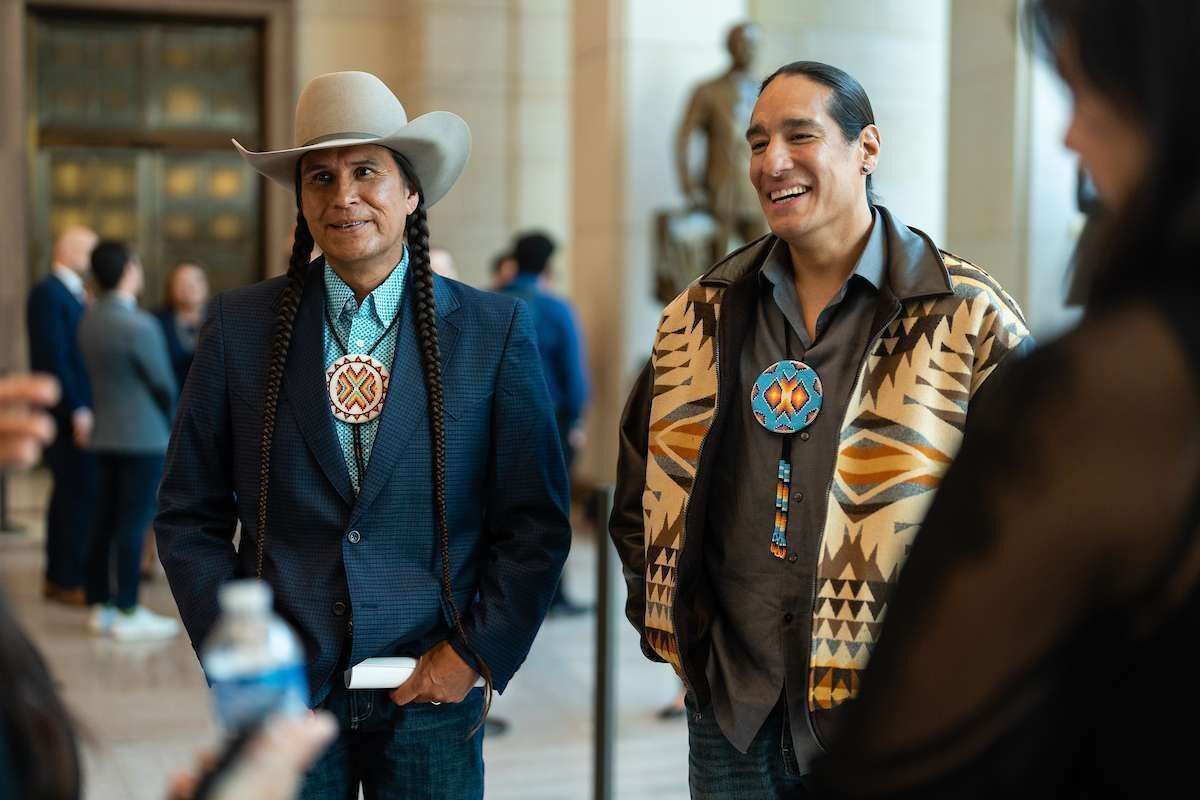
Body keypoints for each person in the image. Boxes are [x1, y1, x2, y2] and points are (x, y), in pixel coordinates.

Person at [610, 61, 1032, 795]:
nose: (771, 163)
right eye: (756, 142)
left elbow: (1044, 512)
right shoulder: (698, 316)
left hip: (901, 717)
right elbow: (638, 490)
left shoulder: (964, 315)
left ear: (867, 147)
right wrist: (680, 633)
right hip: (733, 710)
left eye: (800, 136)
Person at [810, 2, 1200, 797]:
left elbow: (899, 759)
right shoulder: (705, 307)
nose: (1069, 135)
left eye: (1089, 92)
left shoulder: (1061, 354)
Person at [156, 70, 570, 799]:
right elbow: (188, 513)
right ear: (303, 202)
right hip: (289, 695)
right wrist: (242, 650)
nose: (343, 194)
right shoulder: (241, 330)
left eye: (367, 171)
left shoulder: (491, 331)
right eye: (321, 177)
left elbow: (533, 522)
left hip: (432, 689)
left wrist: (472, 655)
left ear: (411, 194)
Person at [77, 242, 180, 641]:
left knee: (103, 519)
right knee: (134, 522)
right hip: (143, 438)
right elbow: (163, 384)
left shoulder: (90, 320)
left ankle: (100, 603)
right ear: (127, 271)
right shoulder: (139, 324)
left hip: (105, 434)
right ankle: (128, 607)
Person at [500, 231, 591, 616]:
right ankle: (552, 596)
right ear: (549, 264)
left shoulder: (493, 301)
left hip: (497, 423)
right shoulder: (556, 309)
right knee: (551, 511)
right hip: (549, 423)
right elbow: (574, 375)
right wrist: (576, 418)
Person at [26, 225, 98, 605]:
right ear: (67, 250)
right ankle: (65, 578)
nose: (92, 257)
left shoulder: (72, 293)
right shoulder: (48, 293)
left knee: (76, 494)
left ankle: (65, 574)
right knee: (74, 494)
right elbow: (56, 357)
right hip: (68, 411)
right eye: (88, 249)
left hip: (79, 409)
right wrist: (79, 408)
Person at [677, 22, 770, 261]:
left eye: (752, 44)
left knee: (761, 260)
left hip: (760, 188)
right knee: (715, 263)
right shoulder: (709, 91)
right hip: (720, 188)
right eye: (742, 43)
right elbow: (685, 135)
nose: (747, 49)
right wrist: (688, 182)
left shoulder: (771, 90)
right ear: (730, 47)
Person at [156, 261, 211, 395]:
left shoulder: (221, 318)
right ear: (170, 288)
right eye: (182, 282)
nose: (190, 287)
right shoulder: (156, 322)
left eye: (196, 280)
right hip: (171, 401)